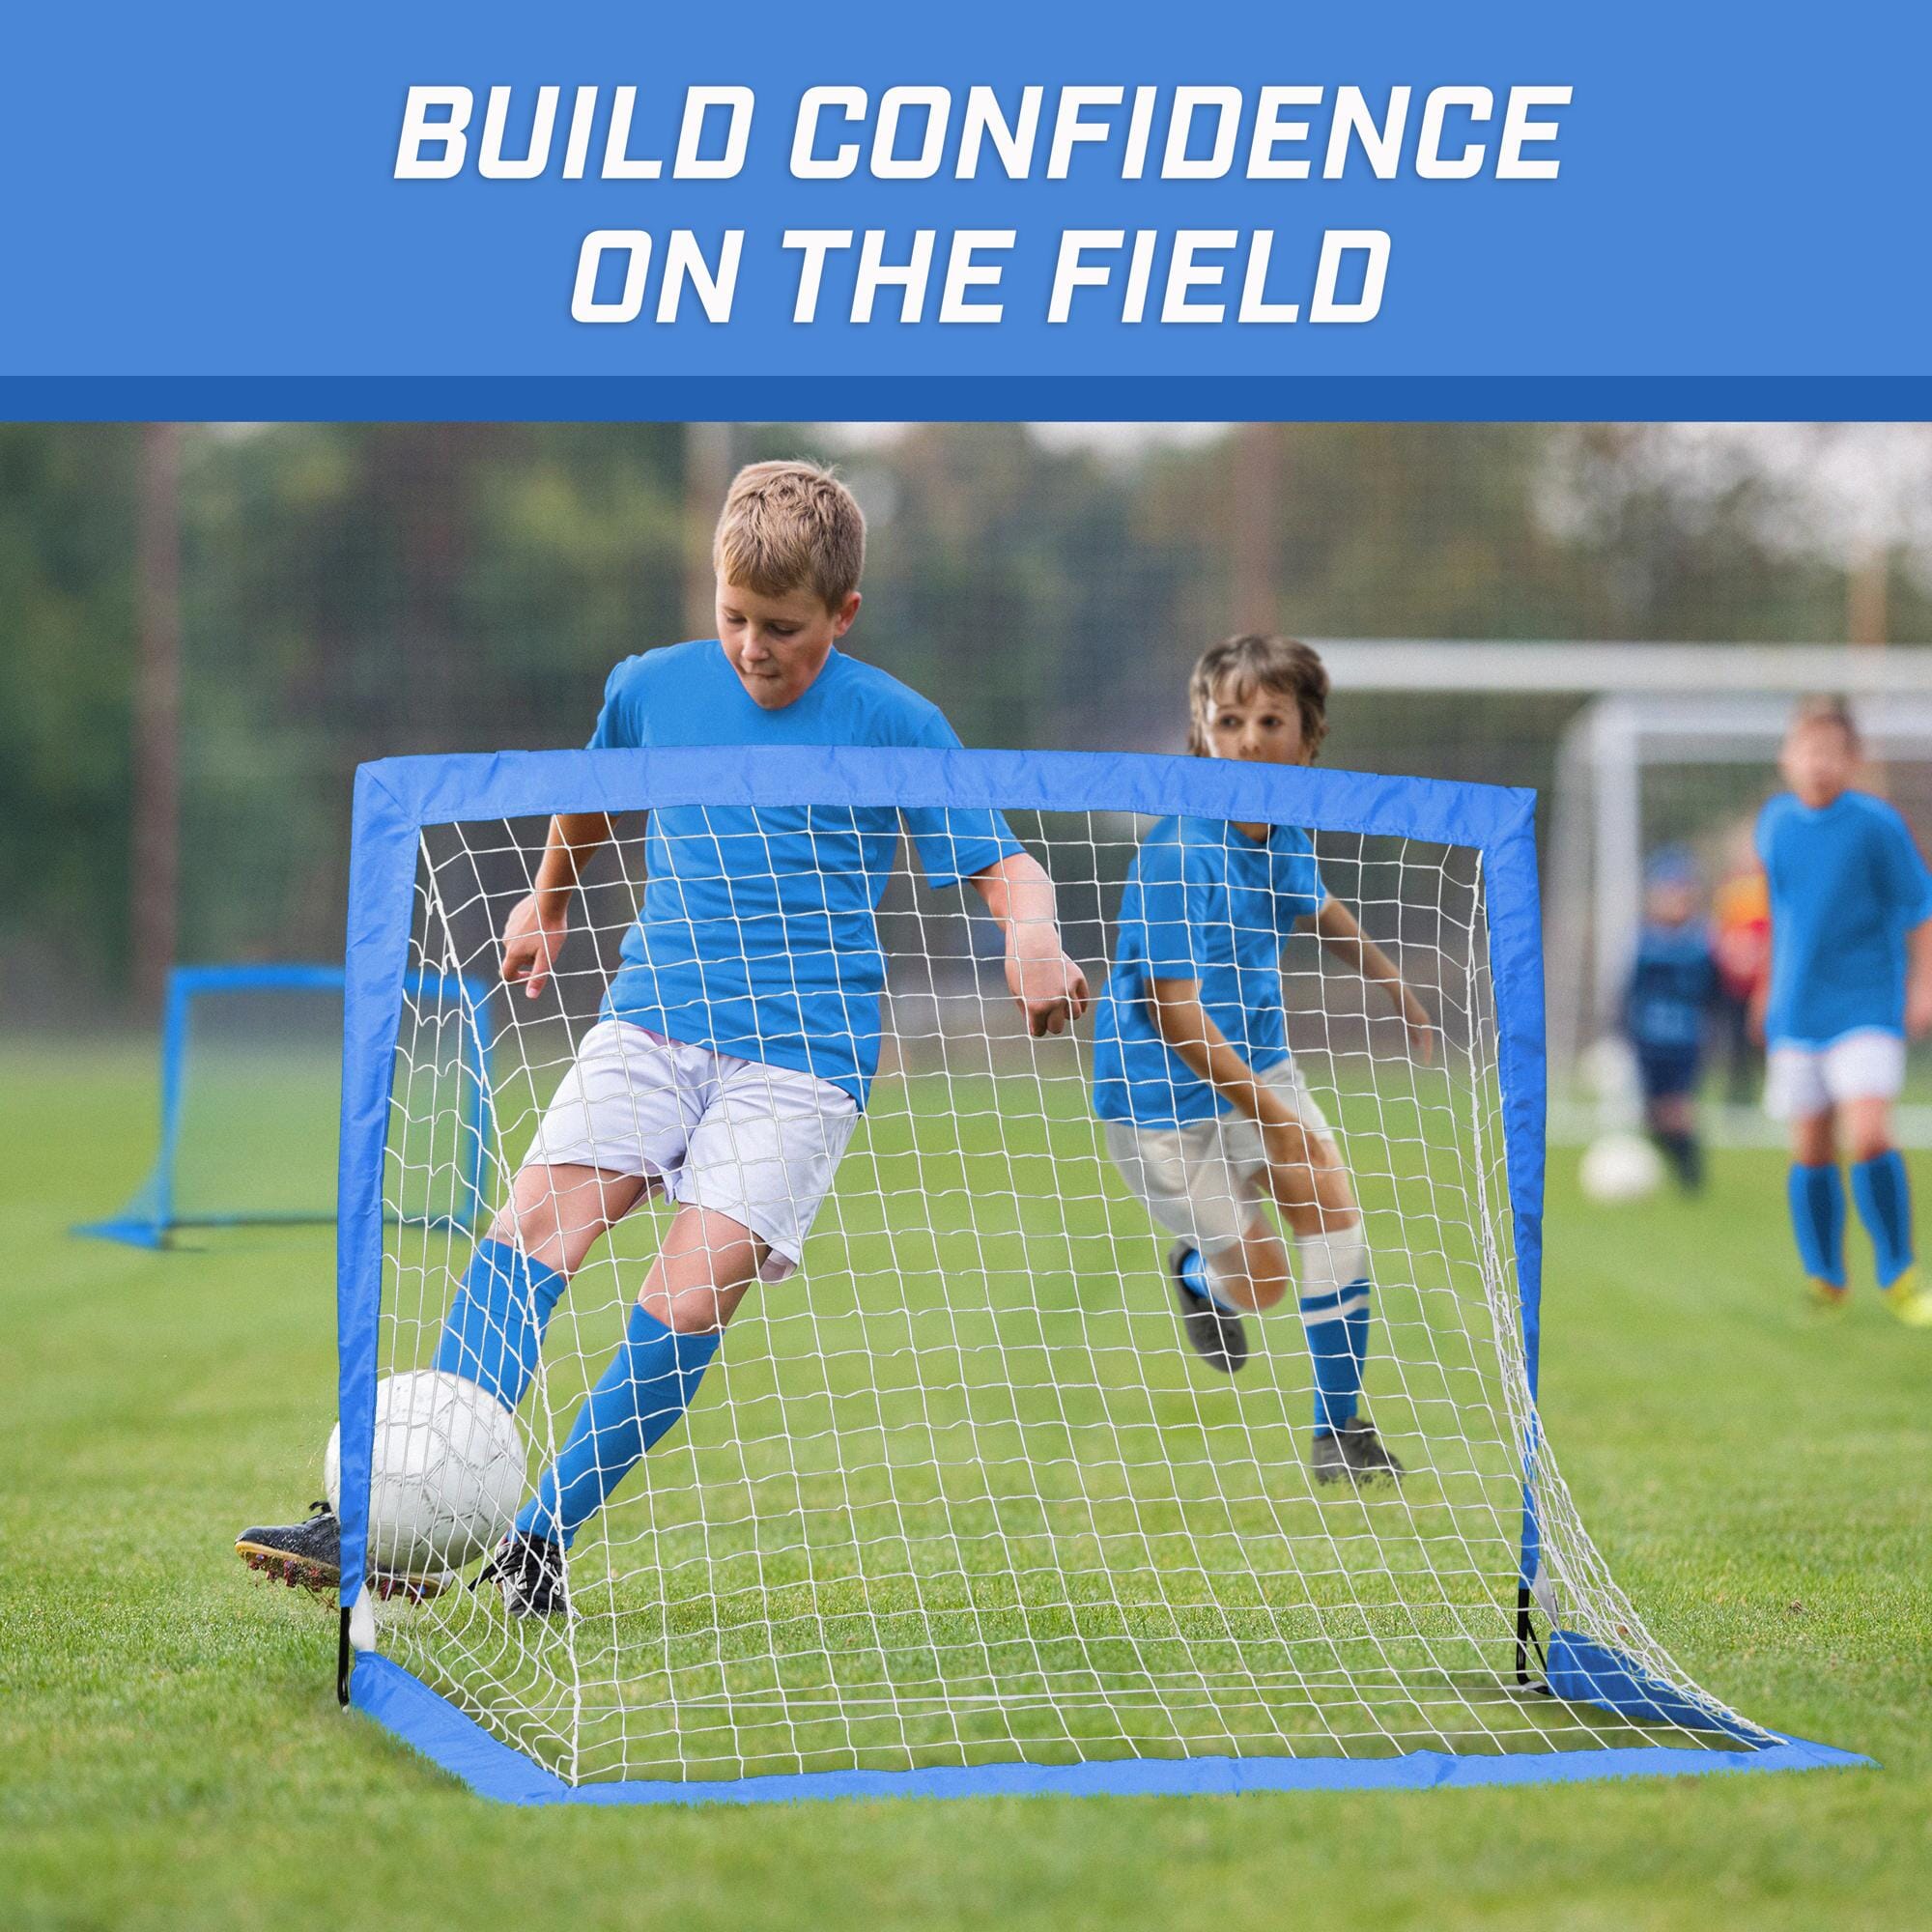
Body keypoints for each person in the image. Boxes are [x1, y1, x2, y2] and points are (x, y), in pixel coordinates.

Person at [238, 460, 1090, 1611]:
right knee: (532, 1228)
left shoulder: (898, 723)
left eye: (782, 628)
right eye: (733, 617)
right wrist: (548, 897)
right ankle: (389, 1514)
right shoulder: (652, 685)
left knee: (687, 1298)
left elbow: (1009, 865)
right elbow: (594, 791)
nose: (752, 646)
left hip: (800, 1062)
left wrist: (1030, 941)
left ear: (842, 615)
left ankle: (536, 1541)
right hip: (651, 1016)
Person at [1090, 635, 1434, 1486]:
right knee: (1265, 1283)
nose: (1247, 739)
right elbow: (1175, 1018)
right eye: (1228, 719)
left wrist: (1393, 981)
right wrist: (1274, 1119)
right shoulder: (1177, 854)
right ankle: (1199, 1273)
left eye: (1270, 719)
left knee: (1332, 1204)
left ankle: (1340, 1435)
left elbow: (1317, 909)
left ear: (1309, 739)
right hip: (1159, 1097)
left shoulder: (1278, 832)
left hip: (1261, 1065)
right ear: (1201, 735)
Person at [1755, 696, 1932, 1321]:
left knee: (1870, 1132)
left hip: (1866, 1003)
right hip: (1798, 1008)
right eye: (1806, 749)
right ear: (1786, 758)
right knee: (1809, 1148)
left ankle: (1900, 1272)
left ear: (1852, 760)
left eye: (1830, 751)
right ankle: (1826, 1276)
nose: (1817, 763)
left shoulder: (1876, 825)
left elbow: (1920, 907)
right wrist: (1765, 988)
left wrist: (1923, 985)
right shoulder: (1773, 826)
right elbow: (1785, 915)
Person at [1621, 848, 1718, 1192]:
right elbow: (1627, 992)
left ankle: (1693, 1177)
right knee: (1653, 1115)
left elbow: (1715, 993)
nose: (1676, 900)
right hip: (1649, 1040)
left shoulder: (1703, 941)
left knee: (1678, 1109)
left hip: (1685, 1041)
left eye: (1682, 892)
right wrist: (1621, 1031)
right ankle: (1675, 1162)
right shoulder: (1643, 940)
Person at [1710, 830, 1772, 1107]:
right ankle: (1739, 1096)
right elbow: (1722, 932)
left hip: (1763, 980)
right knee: (1736, 1041)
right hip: (1735, 982)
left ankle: (1774, 1092)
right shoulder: (1730, 889)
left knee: (1765, 1039)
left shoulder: (1768, 887)